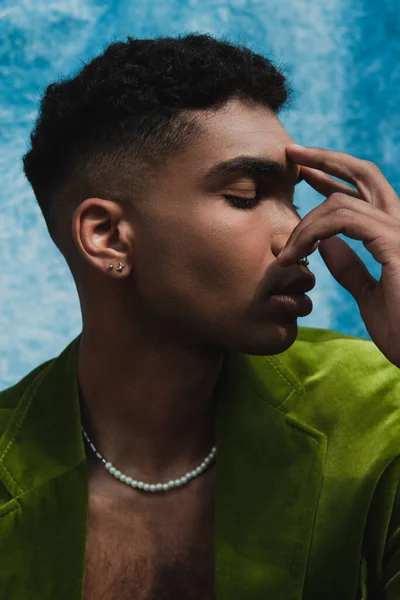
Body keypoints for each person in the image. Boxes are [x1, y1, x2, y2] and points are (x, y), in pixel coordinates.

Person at [1, 32, 399, 600]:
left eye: (292, 199)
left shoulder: (378, 414)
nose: (299, 234)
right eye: (244, 196)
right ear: (108, 236)